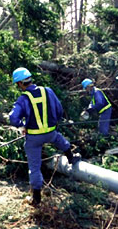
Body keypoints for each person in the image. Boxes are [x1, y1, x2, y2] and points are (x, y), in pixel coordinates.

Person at [9, 67, 80, 206]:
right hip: (51, 133)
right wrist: (53, 122)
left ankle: (36, 198)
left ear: (19, 83)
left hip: (34, 138)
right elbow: (59, 110)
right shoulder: (47, 91)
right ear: (30, 79)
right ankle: (71, 157)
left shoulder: (23, 98)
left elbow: (12, 117)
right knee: (59, 140)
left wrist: (22, 125)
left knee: (34, 167)